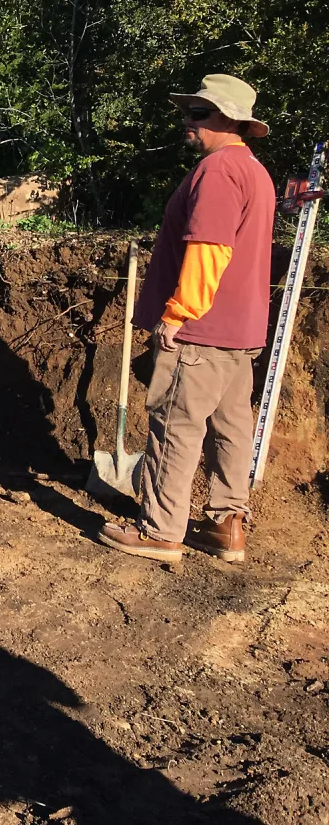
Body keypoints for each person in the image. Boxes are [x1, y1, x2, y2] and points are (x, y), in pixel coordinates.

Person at [99, 74, 275, 565]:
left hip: (201, 330)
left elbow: (209, 250)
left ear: (225, 119)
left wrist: (179, 314)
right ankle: (225, 526)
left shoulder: (218, 172)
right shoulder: (254, 171)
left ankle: (159, 531)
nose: (186, 121)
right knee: (231, 428)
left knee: (175, 424)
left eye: (197, 113)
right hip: (240, 332)